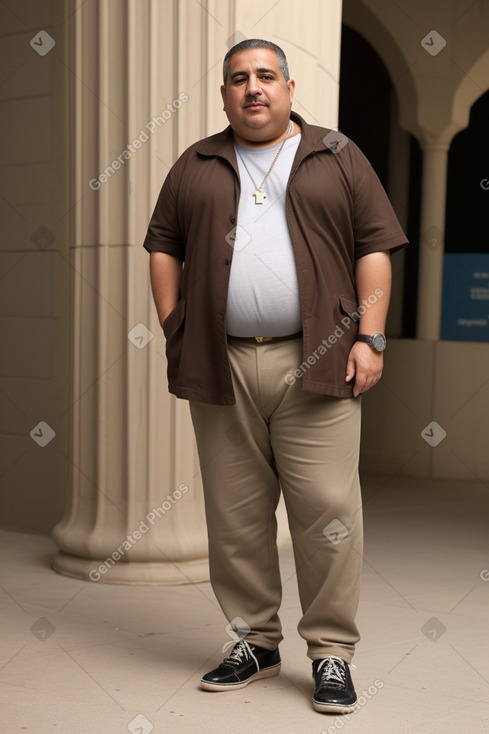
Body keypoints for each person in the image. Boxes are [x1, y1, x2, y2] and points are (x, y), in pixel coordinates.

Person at [143, 39, 408, 714]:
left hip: (316, 358)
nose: (251, 88)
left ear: (289, 88)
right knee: (234, 519)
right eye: (238, 79)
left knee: (326, 513)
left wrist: (369, 337)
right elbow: (164, 245)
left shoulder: (336, 154)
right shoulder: (196, 162)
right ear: (225, 94)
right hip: (221, 362)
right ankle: (253, 644)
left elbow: (372, 248)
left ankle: (330, 654)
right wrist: (176, 325)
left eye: (265, 76)